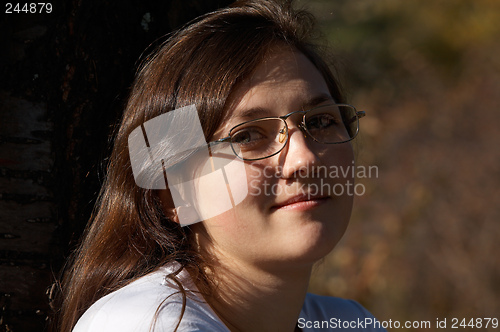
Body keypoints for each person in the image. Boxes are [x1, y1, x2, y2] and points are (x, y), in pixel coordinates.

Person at [56, 0, 386, 331]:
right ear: (173, 192)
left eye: (320, 121)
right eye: (247, 136)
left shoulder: (351, 324)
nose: (304, 159)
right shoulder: (148, 324)